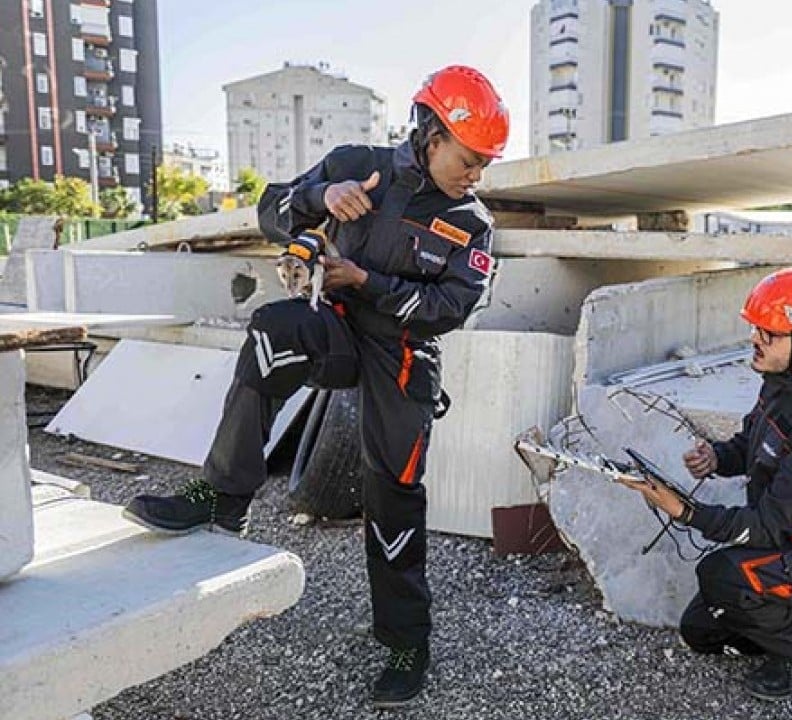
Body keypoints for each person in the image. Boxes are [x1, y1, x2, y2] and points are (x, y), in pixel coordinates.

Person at [121, 65, 509, 708]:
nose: (477, 174)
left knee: (395, 490)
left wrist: (366, 280)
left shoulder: (472, 223)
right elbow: (270, 209)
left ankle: (405, 639)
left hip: (404, 355)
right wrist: (320, 200)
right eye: (470, 159)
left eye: (486, 164)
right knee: (271, 333)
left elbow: (455, 307)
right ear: (432, 134)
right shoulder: (357, 165)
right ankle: (223, 495)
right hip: (335, 325)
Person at [622, 268, 792, 702]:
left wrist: (685, 512)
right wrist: (716, 458)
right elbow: (751, 445)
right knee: (700, 631)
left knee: (721, 575)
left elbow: (769, 525)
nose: (756, 339)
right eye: (755, 329)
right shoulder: (781, 388)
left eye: (770, 333)